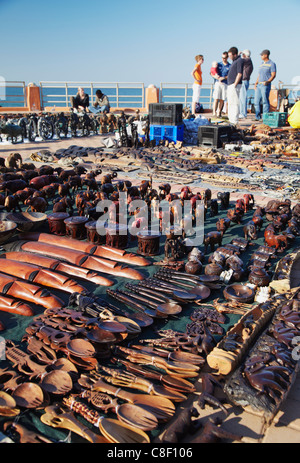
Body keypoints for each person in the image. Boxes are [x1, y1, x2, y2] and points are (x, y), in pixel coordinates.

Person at [254, 49, 277, 121]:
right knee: (256, 101)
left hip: (265, 85)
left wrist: (268, 81)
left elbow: (273, 75)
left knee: (265, 101)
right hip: (259, 85)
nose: (261, 56)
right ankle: (257, 117)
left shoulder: (272, 64)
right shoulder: (261, 64)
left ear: (266, 55)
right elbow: (259, 74)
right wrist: (256, 83)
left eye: (262, 55)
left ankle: (265, 117)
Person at [226, 47, 244, 125]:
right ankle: (231, 119)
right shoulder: (235, 60)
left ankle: (234, 121)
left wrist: (235, 84)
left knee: (234, 103)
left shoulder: (239, 61)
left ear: (235, 54)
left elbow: (239, 73)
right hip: (230, 84)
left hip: (234, 84)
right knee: (230, 102)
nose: (229, 57)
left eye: (230, 55)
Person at [211, 52, 231, 117]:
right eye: (222, 58)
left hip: (225, 84)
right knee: (216, 98)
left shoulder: (229, 66)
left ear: (227, 58)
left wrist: (224, 78)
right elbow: (211, 72)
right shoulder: (218, 64)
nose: (223, 59)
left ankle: (219, 112)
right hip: (217, 83)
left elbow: (230, 75)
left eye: (224, 58)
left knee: (222, 99)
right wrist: (215, 77)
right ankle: (214, 112)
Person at [239, 49, 254, 119]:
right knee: (241, 98)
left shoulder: (247, 60)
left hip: (244, 81)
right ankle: (241, 112)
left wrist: (238, 55)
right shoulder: (248, 61)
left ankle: (243, 113)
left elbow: (240, 61)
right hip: (244, 81)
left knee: (243, 98)